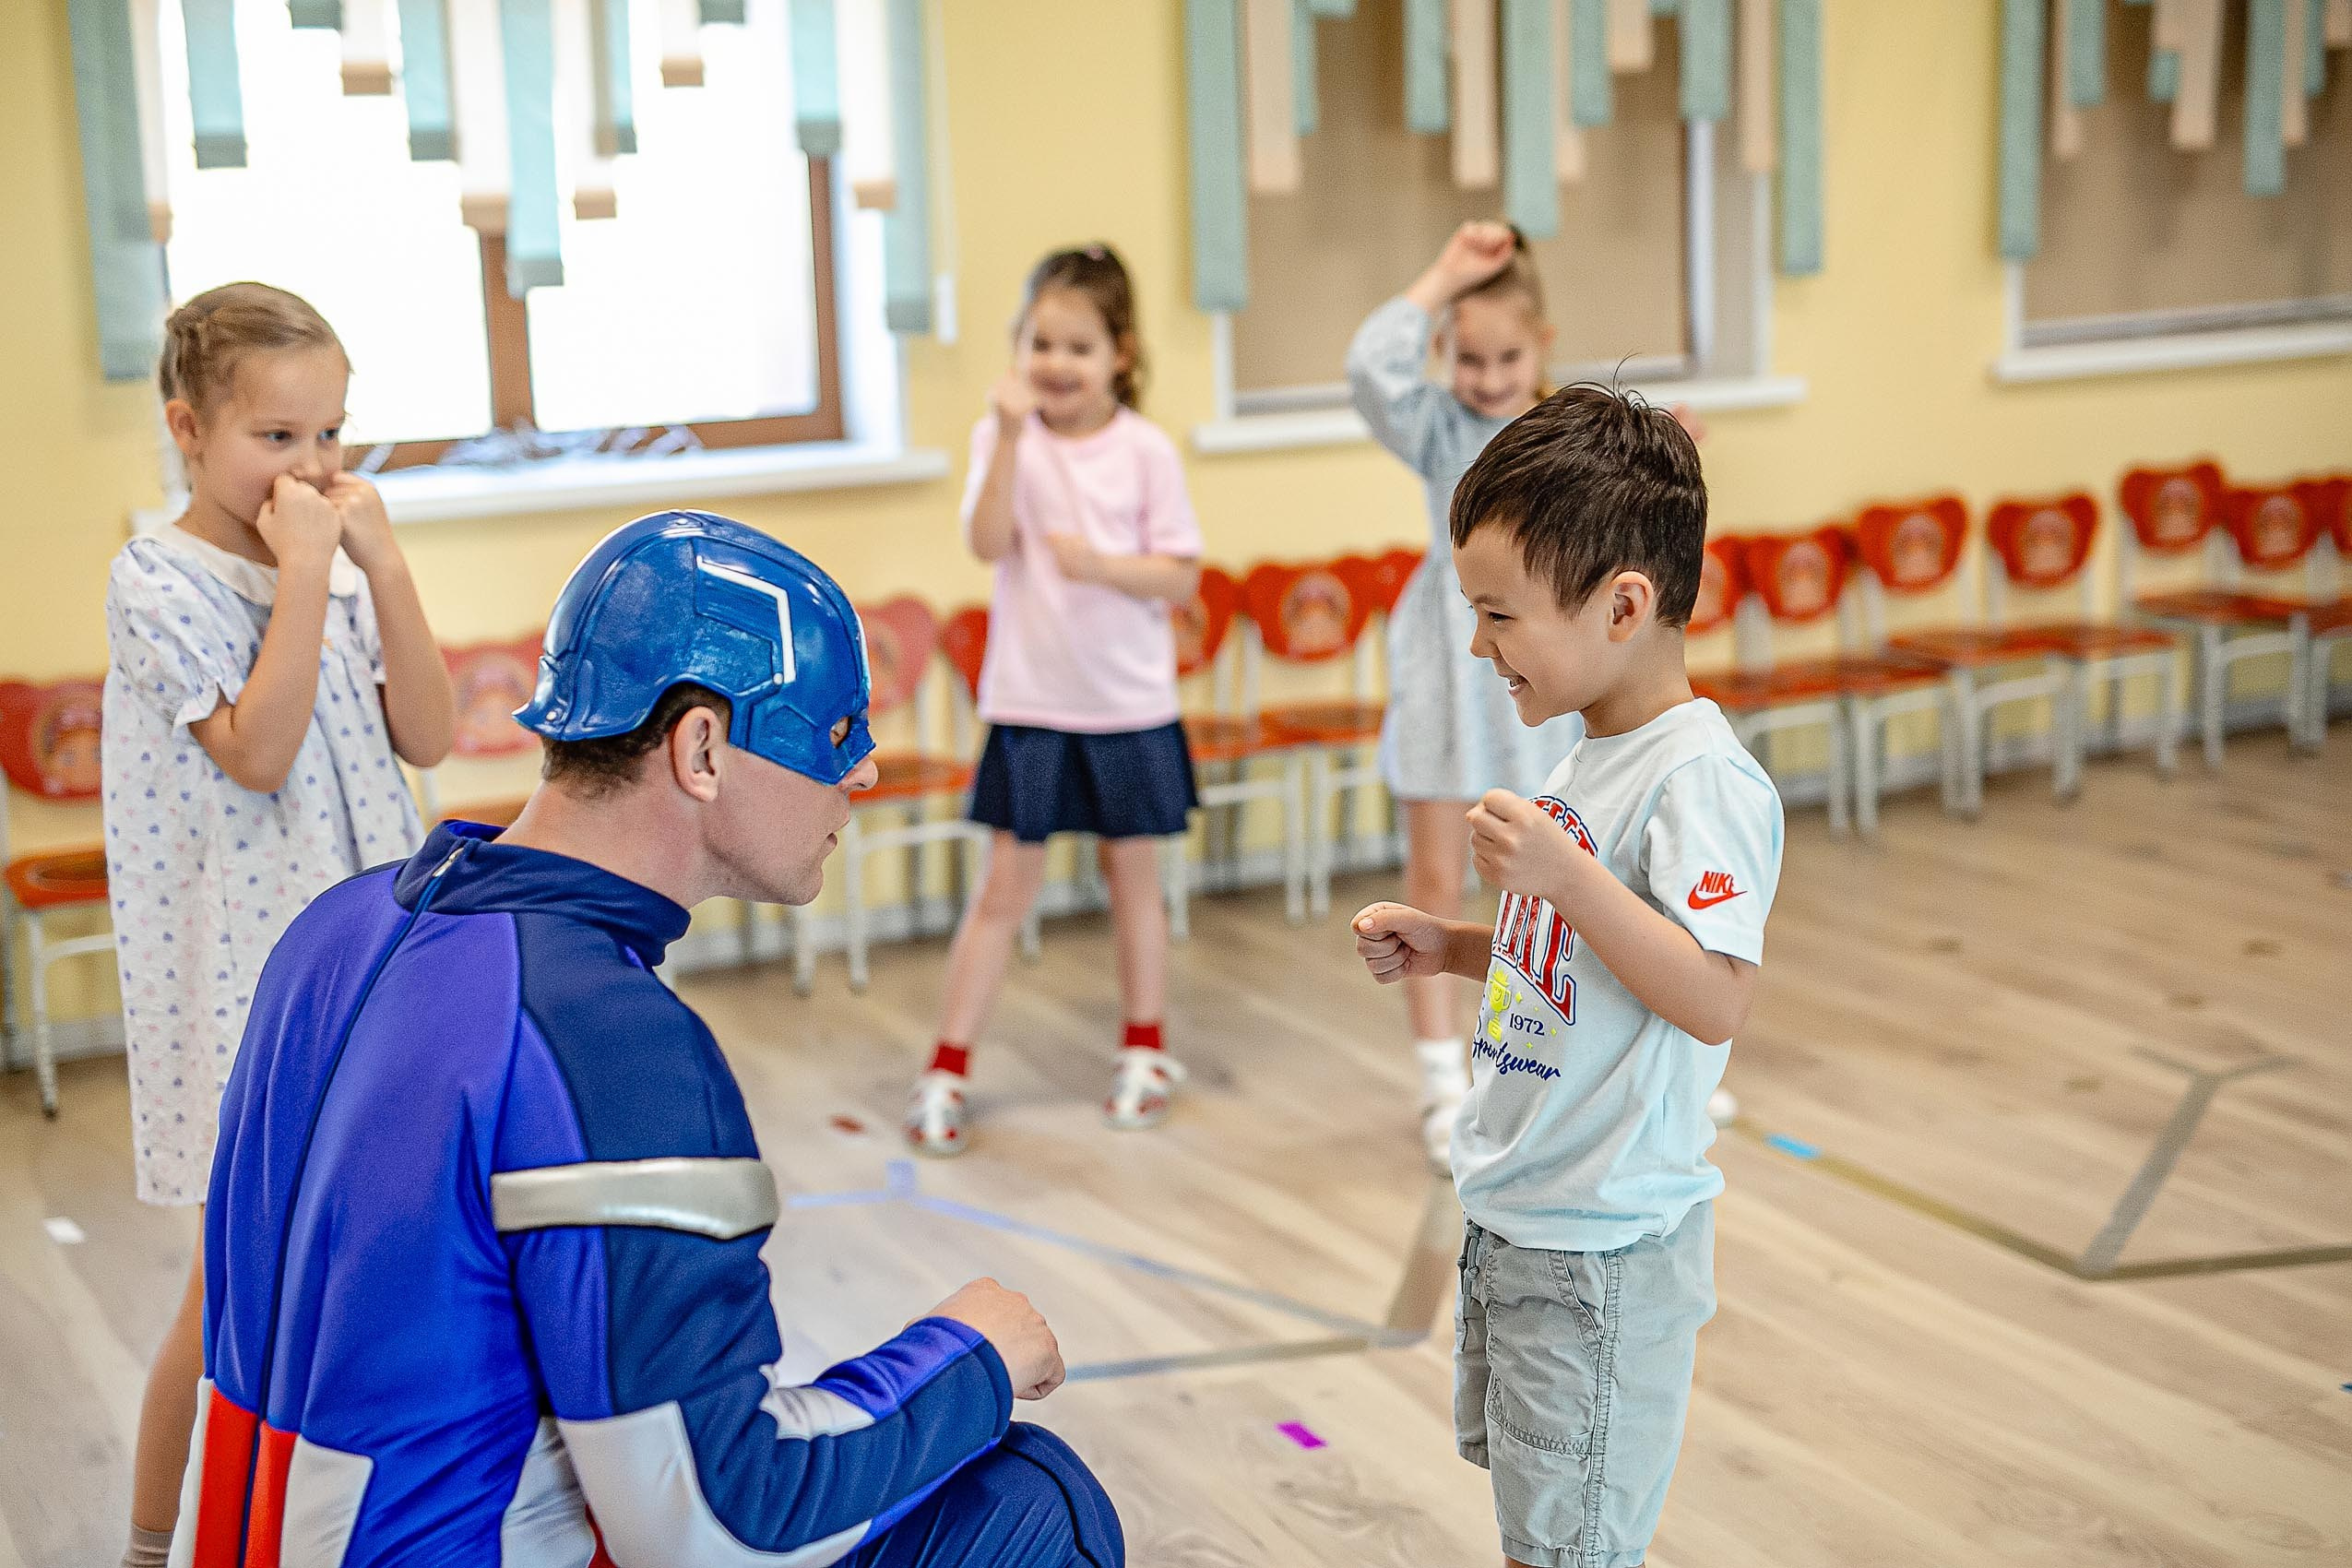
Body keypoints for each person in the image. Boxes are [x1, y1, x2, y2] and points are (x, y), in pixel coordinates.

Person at [172, 511, 1123, 1565]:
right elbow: (718, 1525)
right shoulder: (600, 1036)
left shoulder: (334, 929)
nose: (861, 776)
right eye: (836, 733)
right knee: (1027, 1496)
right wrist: (971, 1353)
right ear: (702, 747)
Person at [1351, 387, 1782, 1568]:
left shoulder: (1701, 779)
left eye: (1499, 615)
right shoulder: (1591, 755)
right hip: (1526, 1220)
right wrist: (1451, 943)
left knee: (1573, 1544)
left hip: (1602, 1248)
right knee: (1545, 1529)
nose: (1480, 644)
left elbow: (1712, 995)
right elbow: (1582, 961)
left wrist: (1567, 875)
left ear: (1624, 604)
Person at [101, 282, 453, 1568]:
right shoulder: (156, 581)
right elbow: (257, 749)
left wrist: (385, 569)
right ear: (190, 429)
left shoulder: (336, 568)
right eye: (277, 439)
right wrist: (307, 572)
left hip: (377, 955)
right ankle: (151, 1543)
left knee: (362, 1255)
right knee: (227, 1292)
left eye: (331, 436)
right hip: (250, 986)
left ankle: (320, 1515)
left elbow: (427, 734)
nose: (311, 468)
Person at [906, 244, 1204, 1157]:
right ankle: (947, 1067)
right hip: (1032, 703)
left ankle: (1146, 1050)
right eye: (1041, 342)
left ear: (1121, 352)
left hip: (1127, 705)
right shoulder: (1006, 441)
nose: (1057, 363)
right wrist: (1001, 439)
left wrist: (1101, 566)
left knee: (1133, 881)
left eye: (1079, 345)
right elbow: (987, 540)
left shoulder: (1147, 449)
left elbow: (1182, 576)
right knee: (1003, 888)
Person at [1348, 221, 1589, 1170]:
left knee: (1553, 877)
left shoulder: (1558, 432)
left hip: (1537, 679)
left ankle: (1553, 1052)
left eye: (1508, 356)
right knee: (1438, 876)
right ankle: (1443, 1072)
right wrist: (1445, 273)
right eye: (1469, 355)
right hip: (1449, 673)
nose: (1488, 377)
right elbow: (1371, 367)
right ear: (1445, 349)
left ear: (1543, 344)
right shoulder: (1438, 427)